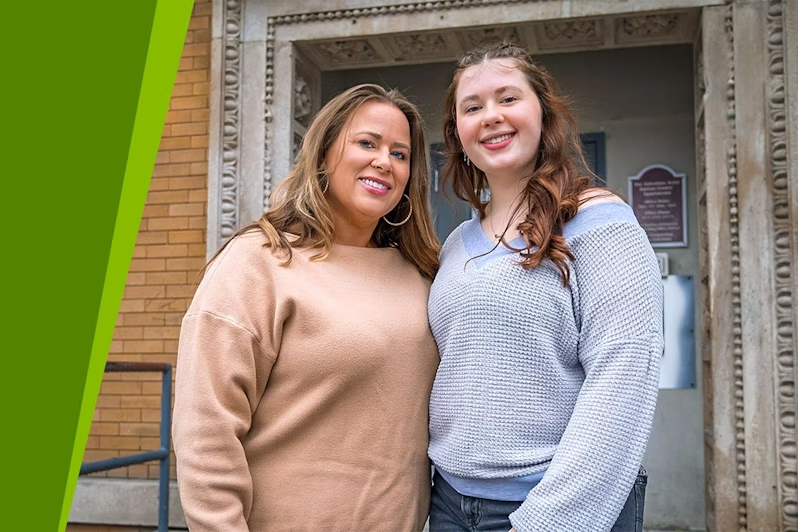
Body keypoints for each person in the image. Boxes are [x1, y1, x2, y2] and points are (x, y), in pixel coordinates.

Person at [172, 83, 441, 532]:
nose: (384, 162)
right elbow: (207, 432)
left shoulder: (421, 274)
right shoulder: (259, 261)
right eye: (367, 143)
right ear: (322, 156)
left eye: (400, 154)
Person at [427, 42, 664, 532]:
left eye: (508, 98)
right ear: (458, 134)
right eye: (472, 107)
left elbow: (623, 378)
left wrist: (550, 521)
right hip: (449, 503)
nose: (491, 116)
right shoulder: (454, 245)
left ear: (544, 114)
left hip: (554, 504)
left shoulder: (599, 223)